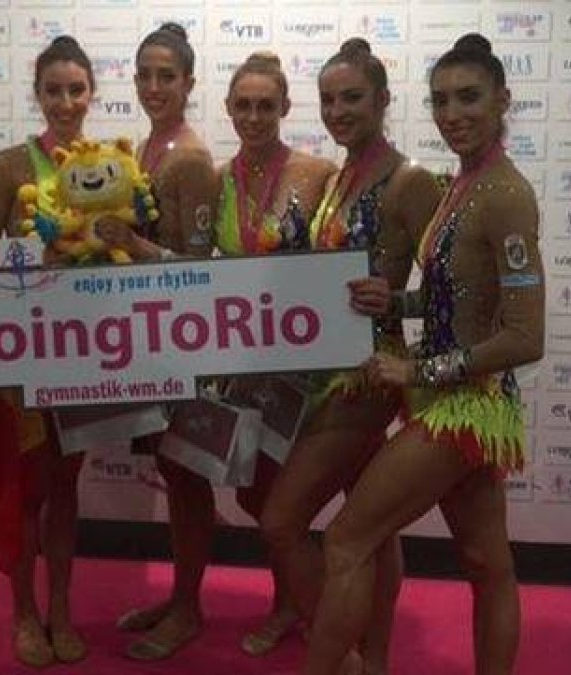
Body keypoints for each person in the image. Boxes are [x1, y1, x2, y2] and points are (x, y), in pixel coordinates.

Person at [303, 33, 545, 675]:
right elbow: (461, 302)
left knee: (347, 540)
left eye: (469, 98)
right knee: (488, 565)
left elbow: (525, 337)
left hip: (464, 407)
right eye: (441, 100)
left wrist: (416, 369)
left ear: (502, 101)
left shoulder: (506, 196)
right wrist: (396, 305)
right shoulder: (463, 184)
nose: (453, 114)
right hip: (452, 401)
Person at [254, 37, 442, 674]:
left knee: (283, 521)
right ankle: (376, 659)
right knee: (375, 533)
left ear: (383, 100)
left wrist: (396, 305)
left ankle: (342, 658)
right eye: (329, 100)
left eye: (352, 98)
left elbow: (453, 293)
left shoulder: (410, 180)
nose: (338, 111)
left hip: (366, 378)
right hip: (324, 373)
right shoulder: (336, 179)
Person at [91, 22, 220, 661]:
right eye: (144, 74)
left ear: (189, 82)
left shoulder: (189, 156)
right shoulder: (149, 146)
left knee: (188, 475)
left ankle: (190, 607)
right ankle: (178, 595)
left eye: (166, 76)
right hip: (152, 338)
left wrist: (129, 242)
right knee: (174, 472)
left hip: (183, 342)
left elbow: (199, 267)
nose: (152, 86)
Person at [202, 51, 338, 657]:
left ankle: (307, 610)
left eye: (266, 105)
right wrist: (130, 244)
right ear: (229, 110)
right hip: (242, 361)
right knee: (255, 493)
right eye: (243, 106)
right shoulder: (216, 178)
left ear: (285, 108)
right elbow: (193, 269)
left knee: (284, 496)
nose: (254, 116)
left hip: (305, 364)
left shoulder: (318, 172)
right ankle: (299, 599)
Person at [0, 34, 95, 668]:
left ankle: (65, 611)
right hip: (22, 353)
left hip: (83, 355)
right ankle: (23, 613)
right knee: (26, 489)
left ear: (92, 94)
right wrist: (40, 264)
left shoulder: (111, 163)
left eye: (76, 90)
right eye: (54, 90)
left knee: (67, 487)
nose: (66, 102)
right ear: (37, 94)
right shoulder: (8, 167)